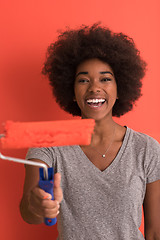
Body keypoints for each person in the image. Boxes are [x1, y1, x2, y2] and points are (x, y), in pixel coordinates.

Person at [20, 24, 160, 240]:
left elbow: (154, 231)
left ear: (119, 88)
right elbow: (29, 213)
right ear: (72, 92)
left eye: (105, 79)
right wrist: (38, 204)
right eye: (83, 80)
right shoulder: (47, 143)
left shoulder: (147, 149)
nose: (94, 87)